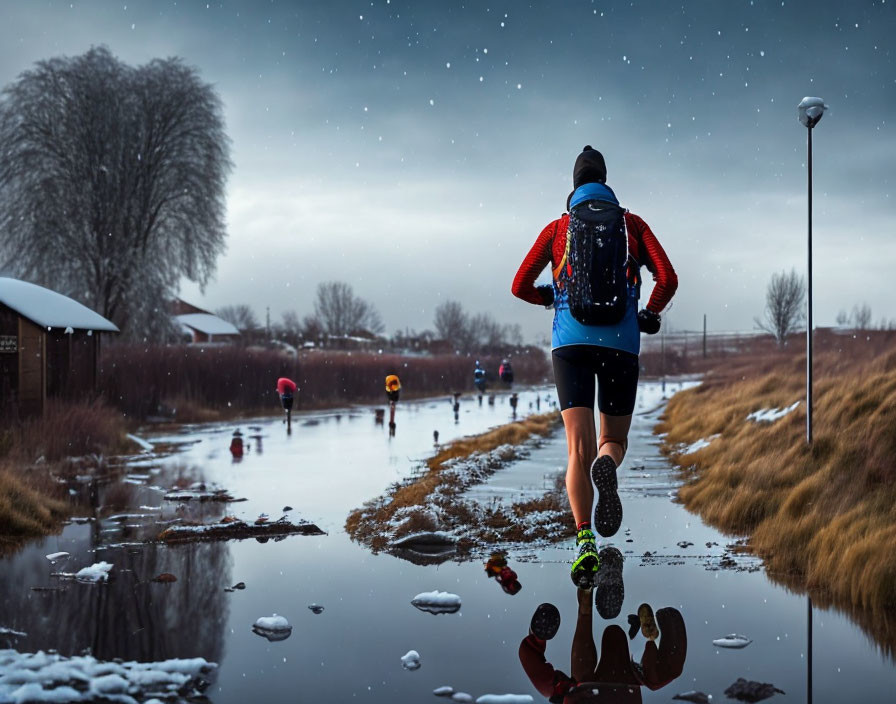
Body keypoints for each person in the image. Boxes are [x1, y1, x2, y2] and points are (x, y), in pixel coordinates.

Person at [511, 146, 677, 588]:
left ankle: (584, 540)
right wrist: (649, 312)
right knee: (612, 440)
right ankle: (609, 462)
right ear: (605, 179)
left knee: (575, 452)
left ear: (575, 185)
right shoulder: (632, 225)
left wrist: (549, 296)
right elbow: (668, 276)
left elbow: (519, 285)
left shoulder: (558, 228)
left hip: (570, 344)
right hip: (621, 345)